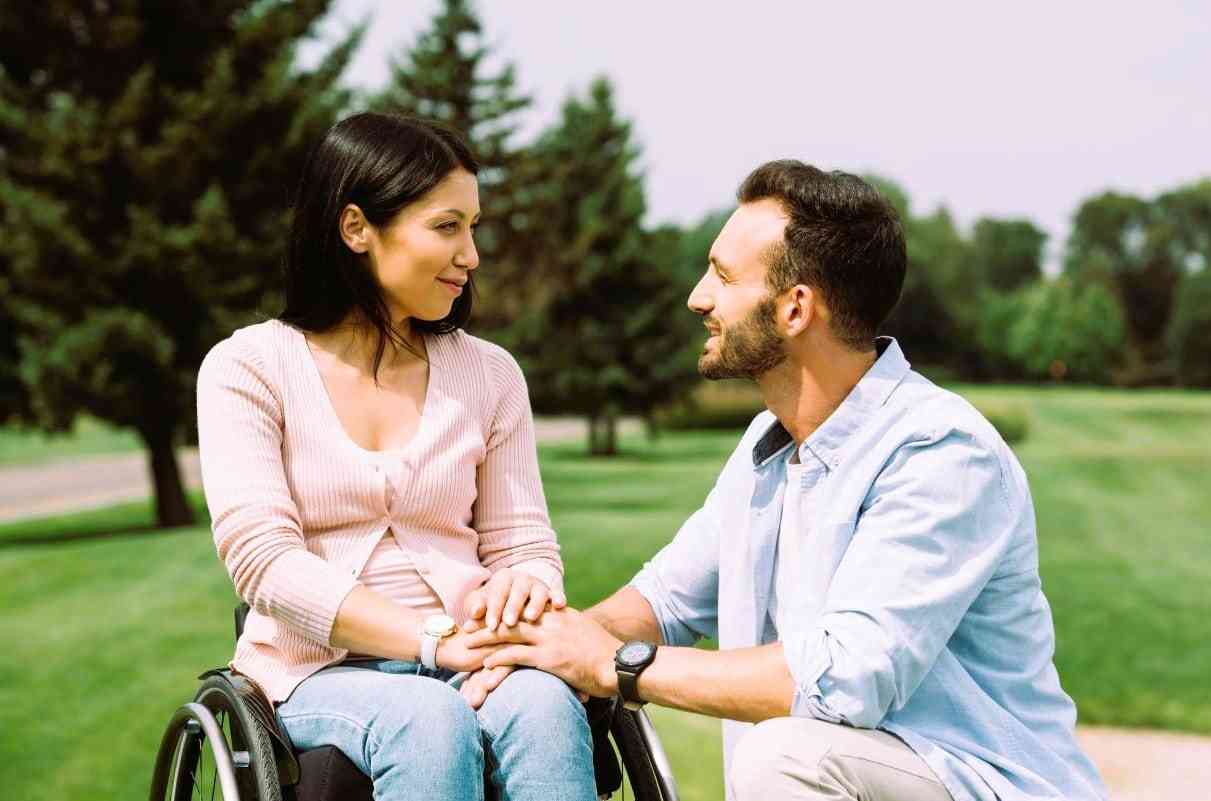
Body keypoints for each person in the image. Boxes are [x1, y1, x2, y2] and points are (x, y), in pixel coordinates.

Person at [462, 160, 1110, 801]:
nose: (697, 296)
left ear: (795, 307)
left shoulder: (941, 452)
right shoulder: (763, 449)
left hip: (996, 787)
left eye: (721, 275)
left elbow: (846, 679)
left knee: (784, 753)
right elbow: (665, 601)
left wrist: (611, 665)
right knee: (782, 751)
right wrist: (534, 643)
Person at [195, 112, 596, 801]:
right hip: (313, 672)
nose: (471, 255)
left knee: (546, 706)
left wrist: (523, 581)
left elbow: (525, 543)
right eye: (447, 227)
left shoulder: (491, 375)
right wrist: (429, 638)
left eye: (474, 227)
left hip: (470, 655)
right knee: (428, 718)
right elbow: (265, 562)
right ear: (356, 228)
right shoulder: (248, 368)